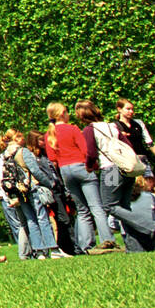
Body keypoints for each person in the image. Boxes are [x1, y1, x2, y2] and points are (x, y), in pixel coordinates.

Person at [78, 100, 155, 250]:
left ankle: (153, 227)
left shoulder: (89, 129)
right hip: (127, 169)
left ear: (82, 115)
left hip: (111, 170)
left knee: (110, 206)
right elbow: (128, 145)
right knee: (124, 208)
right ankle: (136, 248)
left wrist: (89, 166)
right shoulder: (112, 126)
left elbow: (91, 153)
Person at [46, 102, 116, 254]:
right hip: (81, 167)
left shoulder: (49, 134)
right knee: (96, 207)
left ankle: (85, 246)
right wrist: (94, 167)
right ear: (62, 114)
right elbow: (86, 150)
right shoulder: (73, 128)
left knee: (82, 210)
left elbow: (52, 159)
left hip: (65, 171)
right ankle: (107, 240)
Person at [0, 130, 59, 259]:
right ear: (15, 139)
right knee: (42, 217)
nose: (23, 139)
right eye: (20, 137)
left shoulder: (5, 155)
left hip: (19, 191)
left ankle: (39, 251)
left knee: (30, 220)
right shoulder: (22, 152)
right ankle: (52, 248)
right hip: (31, 187)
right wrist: (49, 183)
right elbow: (35, 171)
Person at [0, 141, 30, 259]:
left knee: (23, 222)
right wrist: (0, 177)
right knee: (15, 225)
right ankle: (23, 251)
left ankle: (28, 249)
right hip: (3, 196)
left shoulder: (3, 159)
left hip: (12, 192)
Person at [115, 99, 155, 177]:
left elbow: (150, 143)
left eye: (132, 109)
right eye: (128, 109)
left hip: (142, 160)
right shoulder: (114, 126)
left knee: (148, 186)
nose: (131, 111)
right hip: (126, 162)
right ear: (119, 109)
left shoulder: (138, 123)